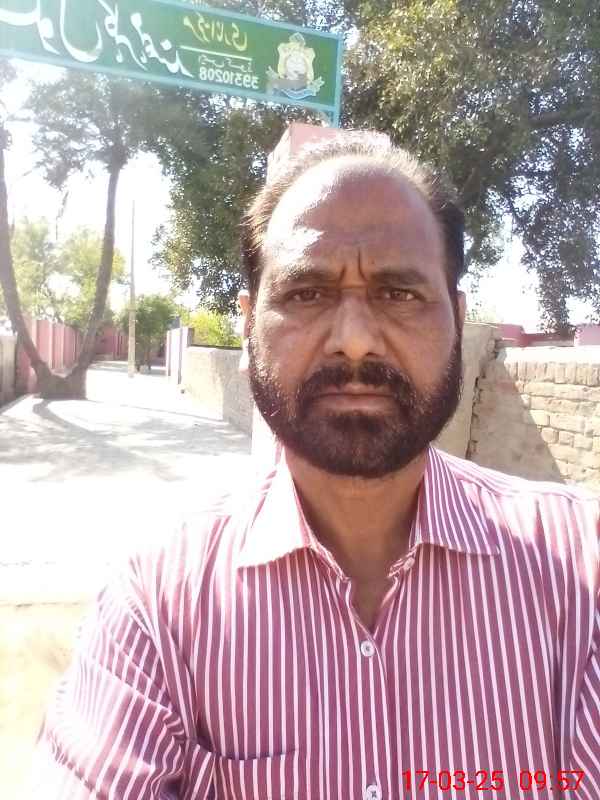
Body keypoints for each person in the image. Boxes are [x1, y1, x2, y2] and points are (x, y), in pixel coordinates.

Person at [30, 136, 599, 799]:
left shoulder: (582, 568)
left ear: (458, 320)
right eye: (306, 293)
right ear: (249, 328)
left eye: (399, 293)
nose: (354, 340)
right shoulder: (157, 603)